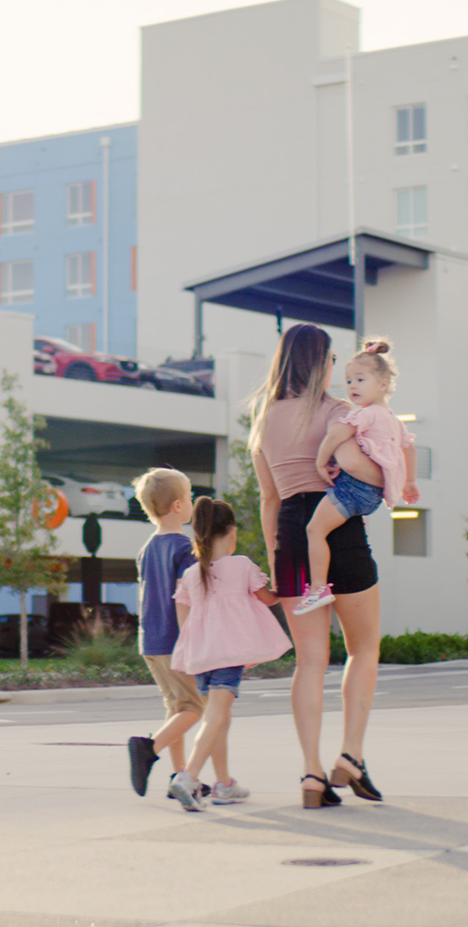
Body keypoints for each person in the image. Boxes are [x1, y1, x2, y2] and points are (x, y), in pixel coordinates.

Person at [249, 323, 386, 808]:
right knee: (363, 648)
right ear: (321, 363)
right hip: (337, 527)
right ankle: (350, 755)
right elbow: (361, 470)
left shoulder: (263, 417)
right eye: (331, 360)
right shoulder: (338, 412)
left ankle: (311, 773)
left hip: (290, 534)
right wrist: (388, 477)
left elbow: (269, 498)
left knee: (309, 662)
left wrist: (275, 557)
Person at [166, 497, 290, 811]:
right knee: (217, 716)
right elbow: (269, 599)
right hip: (228, 652)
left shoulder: (193, 574)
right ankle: (188, 776)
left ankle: (224, 784)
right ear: (232, 534)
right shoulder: (242, 565)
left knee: (218, 718)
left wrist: (193, 645)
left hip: (201, 656)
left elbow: (184, 614)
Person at [294, 337, 420, 615]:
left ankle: (317, 588)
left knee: (314, 530)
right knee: (334, 533)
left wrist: (320, 460)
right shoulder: (394, 420)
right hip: (374, 496)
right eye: (349, 381)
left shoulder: (368, 414)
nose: (352, 387)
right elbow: (408, 449)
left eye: (360, 380)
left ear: (382, 384)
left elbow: (337, 433)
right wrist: (410, 481)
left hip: (353, 488)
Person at [126, 467, 207, 799]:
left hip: (151, 640)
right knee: (195, 708)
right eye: (188, 498)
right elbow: (183, 598)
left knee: (176, 707)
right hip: (176, 639)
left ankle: (179, 775)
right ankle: (149, 748)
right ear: (177, 506)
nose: (190, 505)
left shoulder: (146, 548)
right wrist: (193, 640)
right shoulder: (185, 548)